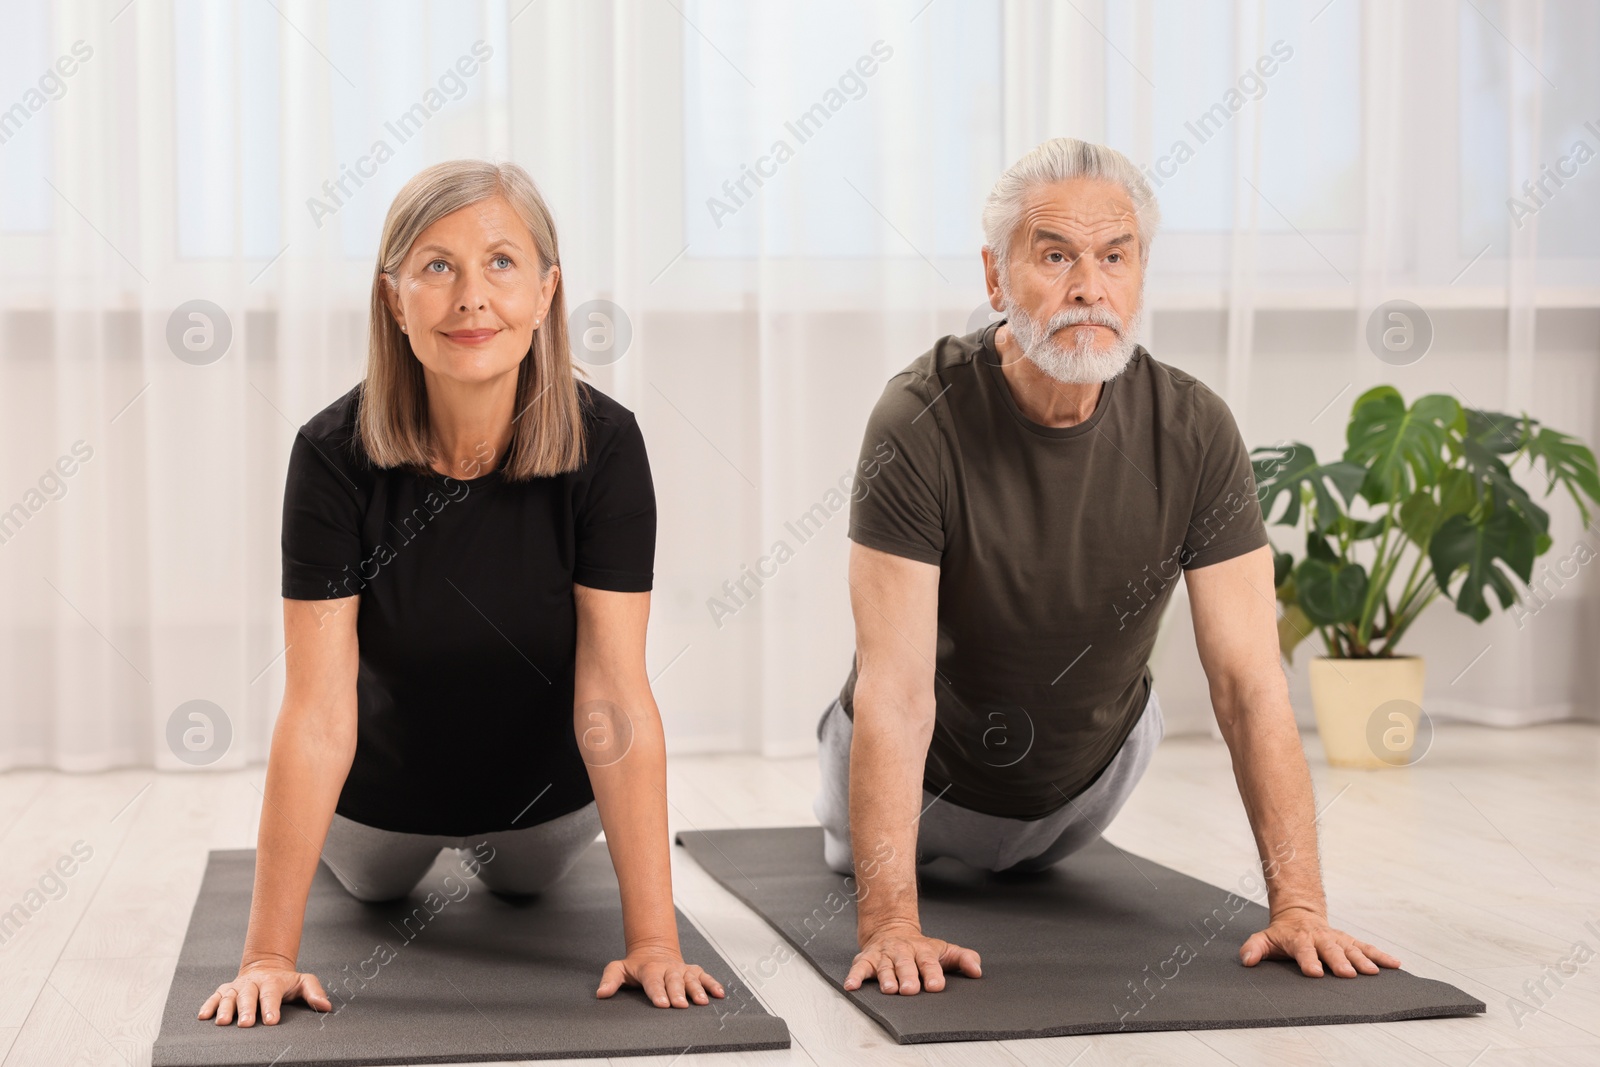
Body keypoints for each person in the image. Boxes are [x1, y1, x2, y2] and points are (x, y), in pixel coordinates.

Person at [814, 137, 1402, 996]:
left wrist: (1300, 905)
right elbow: (897, 694)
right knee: (856, 811)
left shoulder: (1194, 428)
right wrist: (891, 920)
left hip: (1087, 788)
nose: (1090, 285)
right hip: (931, 780)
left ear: (1139, 273)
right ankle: (864, 847)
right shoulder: (919, 416)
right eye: (1055, 256)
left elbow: (1249, 684)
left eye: (1115, 257)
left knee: (1084, 814)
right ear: (994, 278)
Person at [198, 160, 724, 1027]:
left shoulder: (607, 445)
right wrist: (267, 956)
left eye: (502, 264)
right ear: (393, 300)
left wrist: (656, 941)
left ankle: (522, 856)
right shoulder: (331, 455)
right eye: (437, 266)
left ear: (549, 290)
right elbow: (319, 709)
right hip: (377, 811)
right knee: (371, 886)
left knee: (526, 883)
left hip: (541, 809)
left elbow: (614, 691)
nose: (471, 297)